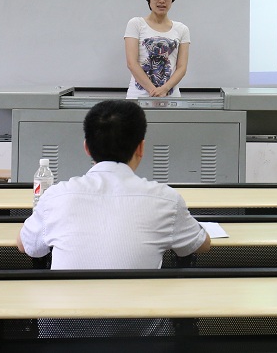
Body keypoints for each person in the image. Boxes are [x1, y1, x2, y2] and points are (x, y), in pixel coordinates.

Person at [17, 99, 211, 269]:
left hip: (66, 302)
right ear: (141, 148)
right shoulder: (166, 200)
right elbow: (200, 244)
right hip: (138, 302)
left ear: (86, 147)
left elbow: (26, 245)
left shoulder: (55, 196)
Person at [125, 0, 190, 98]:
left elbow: (182, 68)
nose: (162, 0)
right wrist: (154, 91)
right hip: (138, 97)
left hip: (170, 98)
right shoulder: (136, 24)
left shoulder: (182, 29)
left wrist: (164, 89)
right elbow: (132, 63)